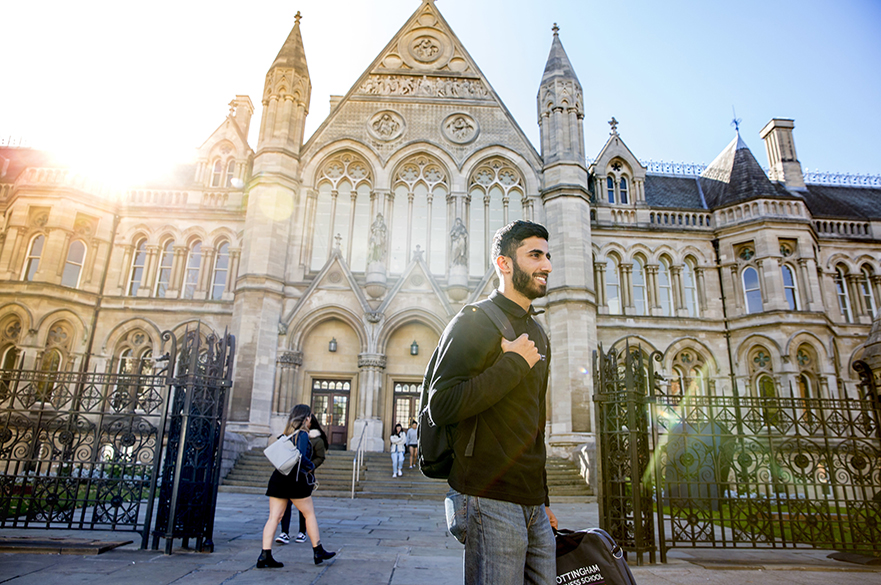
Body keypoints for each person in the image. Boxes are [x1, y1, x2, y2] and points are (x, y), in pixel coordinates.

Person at [426, 220, 557, 585]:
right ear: (504, 263)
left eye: (547, 256)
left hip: (532, 502)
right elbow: (442, 405)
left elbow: (536, 422)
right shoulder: (474, 322)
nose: (546, 265)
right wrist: (512, 364)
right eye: (535, 255)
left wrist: (543, 499)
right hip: (487, 496)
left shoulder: (539, 334)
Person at [259, 404, 336, 568]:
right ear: (306, 418)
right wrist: (310, 467)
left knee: (274, 517)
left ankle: (265, 554)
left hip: (279, 478)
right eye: (310, 417)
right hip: (295, 481)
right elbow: (299, 456)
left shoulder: (286, 434)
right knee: (309, 514)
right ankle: (318, 550)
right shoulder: (302, 434)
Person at [276, 414, 328, 545]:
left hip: (304, 475)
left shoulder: (316, 439)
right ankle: (284, 532)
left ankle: (302, 532)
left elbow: (319, 457)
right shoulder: (295, 436)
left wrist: (310, 467)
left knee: (303, 508)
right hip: (290, 474)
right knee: (286, 505)